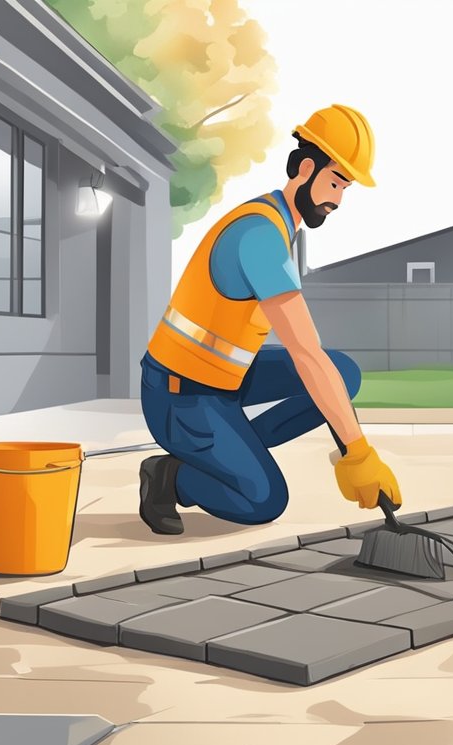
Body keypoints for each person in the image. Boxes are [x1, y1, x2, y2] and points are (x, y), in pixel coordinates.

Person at [138, 104, 402, 535]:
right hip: (180, 395)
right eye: (334, 182)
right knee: (262, 499)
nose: (337, 199)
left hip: (227, 379)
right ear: (303, 167)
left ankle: (234, 450)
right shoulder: (259, 236)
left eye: (345, 188)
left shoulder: (278, 223)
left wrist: (354, 448)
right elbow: (305, 351)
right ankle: (170, 476)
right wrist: (358, 452)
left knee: (344, 373)